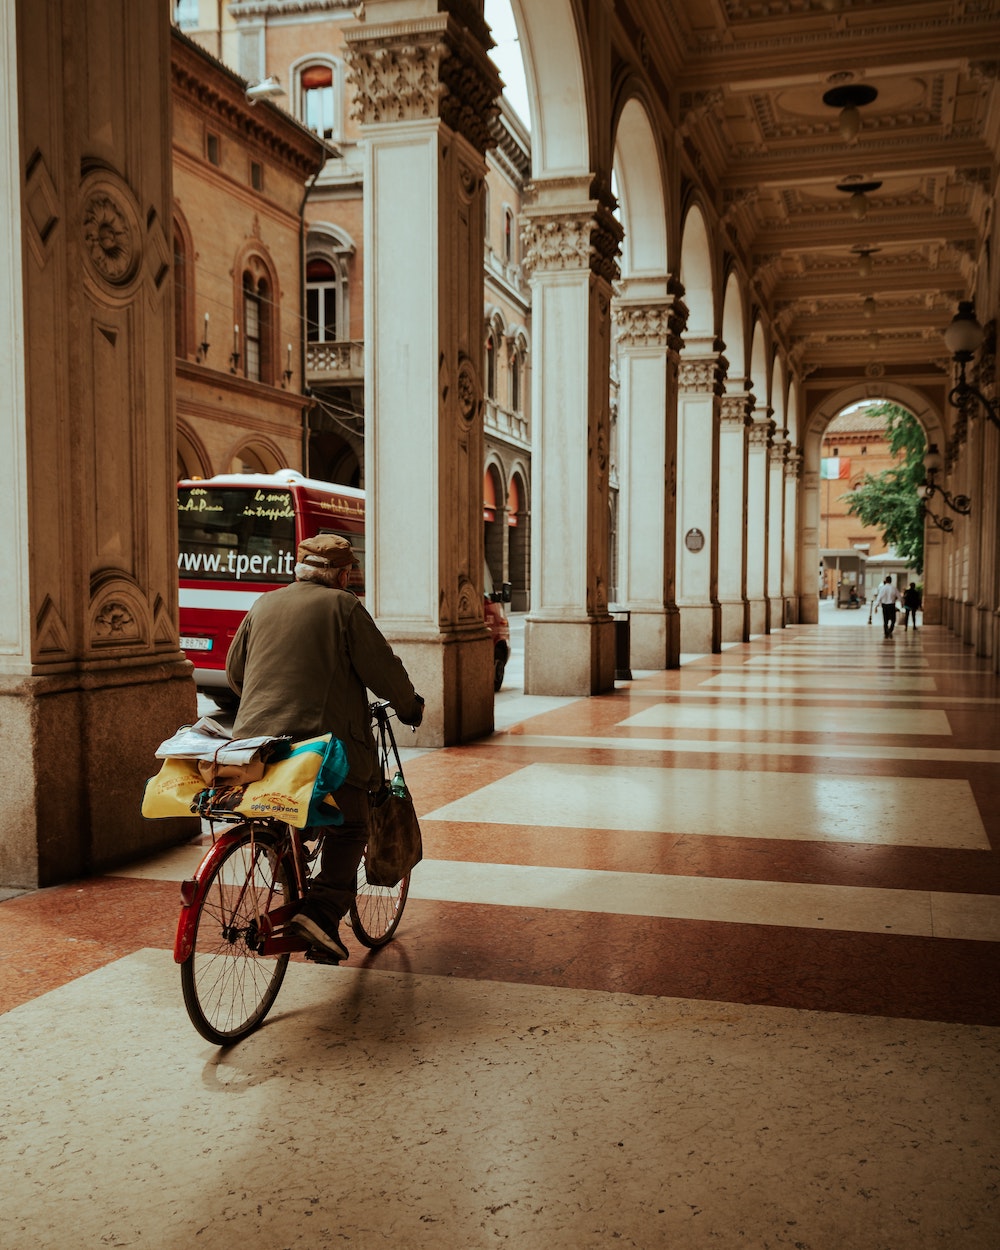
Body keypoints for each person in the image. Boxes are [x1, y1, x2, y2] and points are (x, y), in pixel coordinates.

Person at [226, 533, 424, 962]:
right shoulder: (345, 607)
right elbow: (383, 671)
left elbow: (235, 673)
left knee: (289, 808)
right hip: (320, 747)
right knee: (352, 824)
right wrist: (410, 707)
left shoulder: (263, 604)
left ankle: (280, 851)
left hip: (255, 745)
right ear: (342, 574)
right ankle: (321, 912)